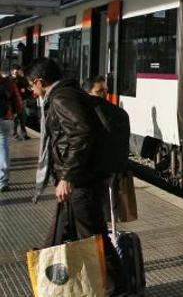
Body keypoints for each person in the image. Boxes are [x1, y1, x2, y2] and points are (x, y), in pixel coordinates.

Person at [25, 58, 122, 295]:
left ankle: (116, 287)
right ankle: (54, 287)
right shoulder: (66, 94)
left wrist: (67, 176)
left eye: (30, 85)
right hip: (76, 181)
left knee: (93, 239)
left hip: (79, 182)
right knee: (62, 234)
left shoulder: (61, 98)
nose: (31, 90)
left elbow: (81, 134)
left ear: (39, 81)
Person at [0, 70, 22, 192]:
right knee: (3, 148)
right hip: (5, 118)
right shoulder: (9, 83)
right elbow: (18, 103)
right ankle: (2, 182)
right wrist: (14, 113)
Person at [11, 64, 30, 140]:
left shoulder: (22, 79)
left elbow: (27, 88)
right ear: (12, 71)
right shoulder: (9, 80)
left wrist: (25, 92)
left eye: (18, 72)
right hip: (13, 102)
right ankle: (14, 135)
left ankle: (24, 134)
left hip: (21, 101)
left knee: (22, 118)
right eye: (16, 72)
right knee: (15, 119)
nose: (17, 73)